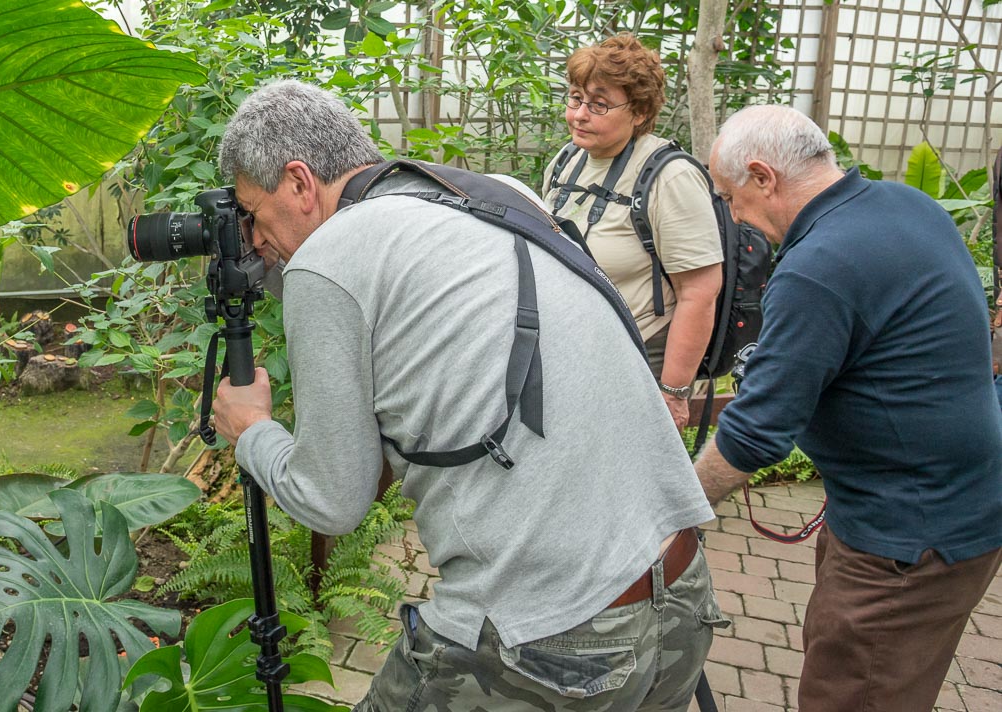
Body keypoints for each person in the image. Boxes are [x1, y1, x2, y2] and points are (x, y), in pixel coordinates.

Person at [210, 79, 727, 711]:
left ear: (298, 182)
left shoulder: (329, 258)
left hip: (549, 641)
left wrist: (252, 429)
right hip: (681, 593)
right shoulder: (489, 193)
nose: (257, 244)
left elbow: (333, 501)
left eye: (256, 217)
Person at [693, 105, 1002, 712]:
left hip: (909, 534)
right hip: (933, 500)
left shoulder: (819, 267)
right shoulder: (904, 205)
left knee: (855, 693)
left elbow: (754, 436)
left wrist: (671, 514)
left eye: (729, 197)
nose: (733, 215)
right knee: (857, 667)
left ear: (763, 177)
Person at [543, 33, 723, 431]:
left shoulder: (670, 178)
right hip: (574, 355)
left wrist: (674, 394)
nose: (579, 115)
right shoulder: (567, 161)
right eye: (575, 98)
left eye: (599, 104)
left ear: (639, 112)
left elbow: (700, 291)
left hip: (637, 362)